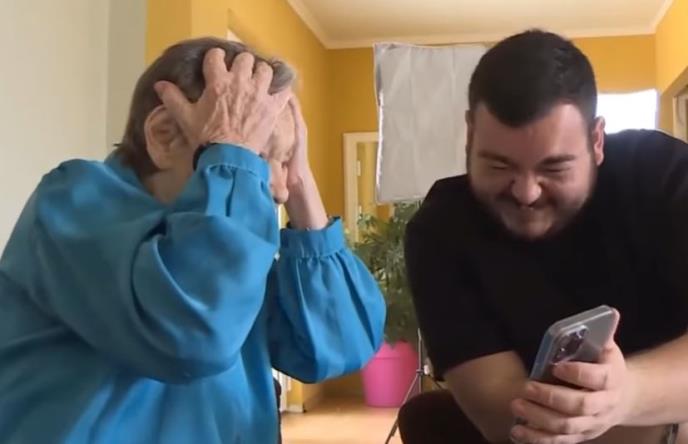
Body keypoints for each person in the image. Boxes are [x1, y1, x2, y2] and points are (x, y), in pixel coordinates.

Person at [0, 37, 385, 444]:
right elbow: (194, 333)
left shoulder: (229, 235)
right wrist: (234, 158)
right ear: (165, 135)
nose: (278, 190)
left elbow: (339, 347)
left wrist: (301, 184)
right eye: (257, 154)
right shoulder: (73, 201)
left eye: (286, 160)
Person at [404, 29, 688, 444]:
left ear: (596, 141)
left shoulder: (662, 176)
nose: (526, 193)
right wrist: (669, 426)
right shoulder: (440, 230)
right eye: (499, 165)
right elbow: (505, 418)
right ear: (470, 134)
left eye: (554, 168)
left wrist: (627, 395)